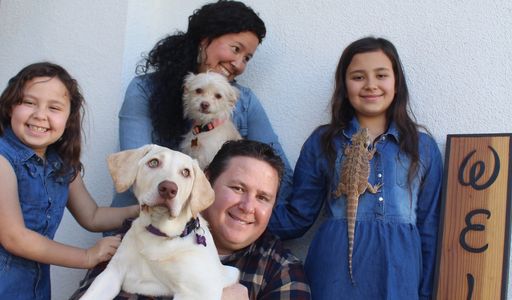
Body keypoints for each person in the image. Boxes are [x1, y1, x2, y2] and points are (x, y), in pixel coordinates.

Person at [269, 37, 443, 299]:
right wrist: (228, 217)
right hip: (334, 270)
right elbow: (298, 216)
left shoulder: (423, 147)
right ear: (344, 85)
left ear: (396, 83)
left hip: (399, 273)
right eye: (358, 77)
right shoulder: (323, 141)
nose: (371, 85)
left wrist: (428, 293)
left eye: (381, 75)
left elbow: (429, 227)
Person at [70, 140, 311, 300]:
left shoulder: (280, 270)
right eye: (237, 188)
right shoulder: (131, 237)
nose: (248, 207)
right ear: (205, 183)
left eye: (263, 197)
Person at [110, 0, 292, 209]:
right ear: (204, 41)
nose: (238, 64)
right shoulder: (144, 89)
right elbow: (136, 167)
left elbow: (280, 175)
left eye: (246, 58)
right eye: (235, 49)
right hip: (137, 221)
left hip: (206, 231)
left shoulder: (244, 101)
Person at [0, 62, 140, 299]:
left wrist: (141, 210)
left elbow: (93, 216)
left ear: (68, 119)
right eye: (28, 102)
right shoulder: (3, 160)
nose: (40, 115)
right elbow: (15, 237)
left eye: (54, 107)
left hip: (34, 289)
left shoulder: (61, 165)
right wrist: (87, 256)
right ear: (10, 107)